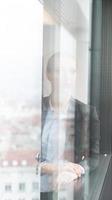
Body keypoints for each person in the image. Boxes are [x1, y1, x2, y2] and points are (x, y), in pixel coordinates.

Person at [39, 53, 100, 199]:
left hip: (69, 190)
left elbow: (94, 157)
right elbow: (28, 158)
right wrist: (56, 168)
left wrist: (72, 172)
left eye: (71, 71)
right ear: (48, 74)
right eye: (60, 70)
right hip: (33, 188)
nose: (67, 77)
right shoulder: (36, 107)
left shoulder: (87, 112)